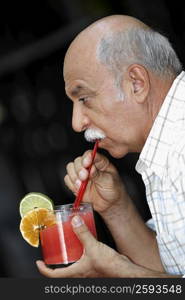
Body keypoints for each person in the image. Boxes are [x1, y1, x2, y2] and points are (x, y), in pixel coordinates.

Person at [36, 15, 185, 277]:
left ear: (136, 83)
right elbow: (170, 270)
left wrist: (118, 272)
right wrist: (116, 208)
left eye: (84, 97)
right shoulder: (165, 150)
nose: (76, 123)